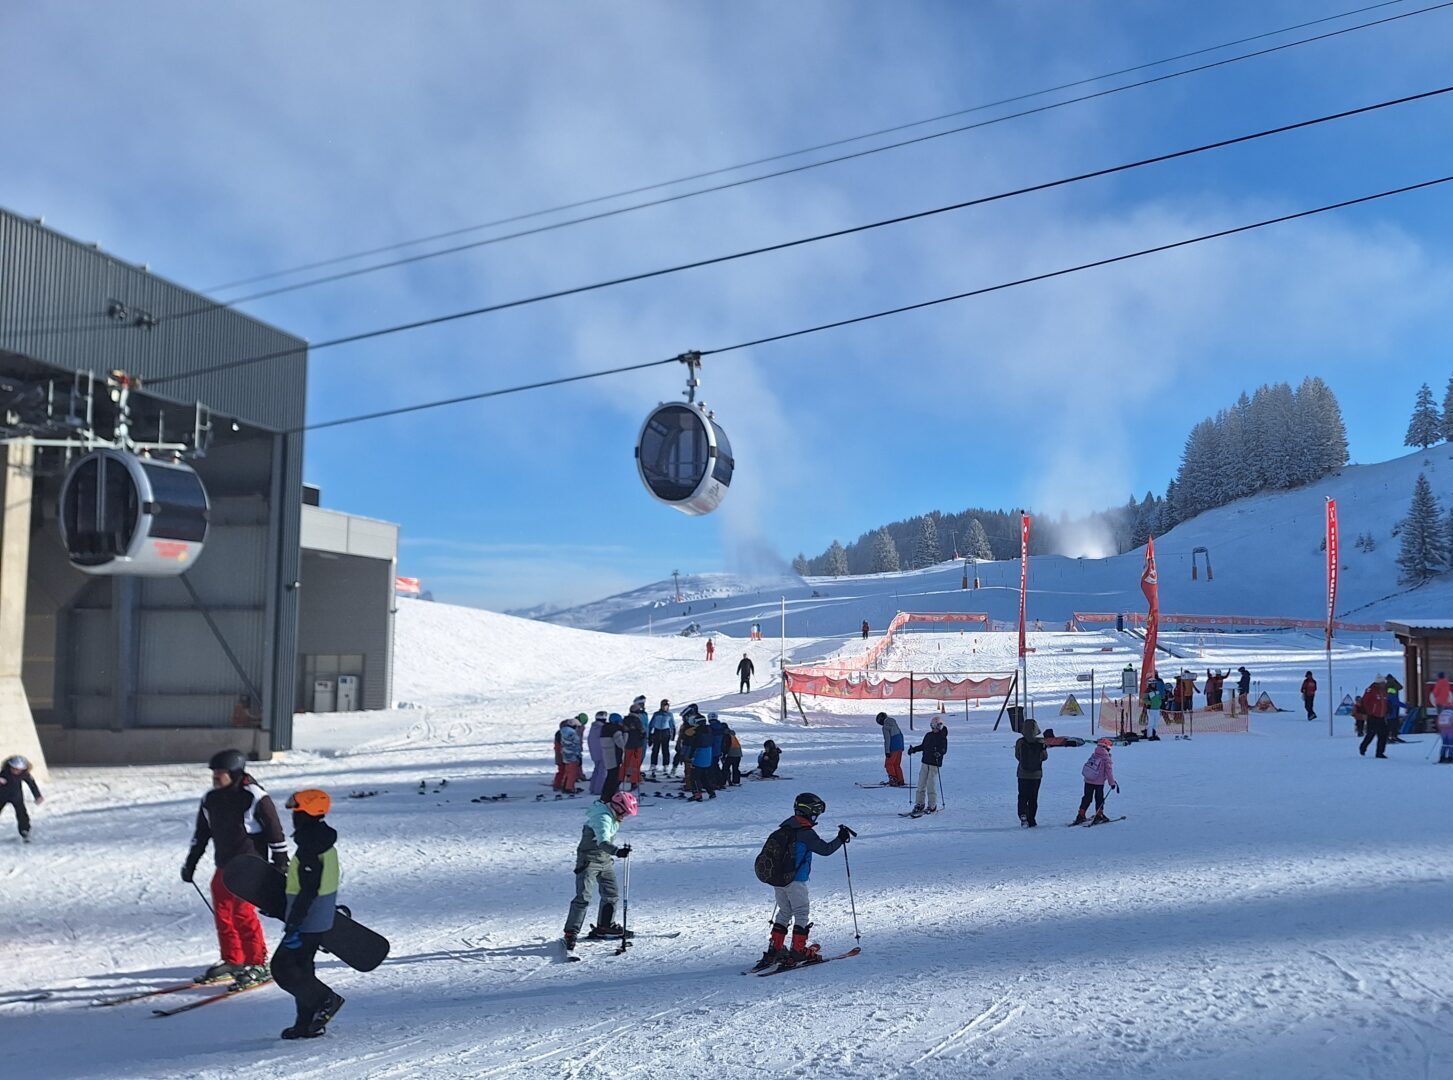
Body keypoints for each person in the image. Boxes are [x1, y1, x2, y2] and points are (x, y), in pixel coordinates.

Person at [182, 749, 288, 986]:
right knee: (223, 913)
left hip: (250, 866)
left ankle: (257, 962)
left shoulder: (254, 796)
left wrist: (281, 861)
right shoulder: (211, 799)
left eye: (220, 772)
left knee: (242, 913)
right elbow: (201, 834)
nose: (215, 777)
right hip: (224, 866)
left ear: (235, 772)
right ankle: (233, 959)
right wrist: (191, 863)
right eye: (214, 772)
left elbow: (274, 830)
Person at [272, 789, 346, 1040]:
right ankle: (306, 1023)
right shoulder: (320, 841)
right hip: (316, 919)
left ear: (306, 814)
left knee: (283, 968)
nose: (293, 817)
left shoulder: (311, 847)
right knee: (303, 970)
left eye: (297, 812)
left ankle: (326, 1000)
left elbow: (309, 890)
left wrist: (294, 922)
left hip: (307, 921)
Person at [752, 792, 852, 971]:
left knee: (784, 912)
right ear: (810, 812)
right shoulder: (805, 833)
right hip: (796, 880)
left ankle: (775, 949)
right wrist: (840, 839)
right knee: (801, 912)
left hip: (779, 880)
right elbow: (826, 850)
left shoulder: (784, 828)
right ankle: (798, 951)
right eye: (816, 812)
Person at [563, 791, 637, 953]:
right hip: (588, 861)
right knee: (583, 897)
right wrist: (617, 851)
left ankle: (605, 926)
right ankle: (570, 932)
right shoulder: (602, 818)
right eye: (625, 812)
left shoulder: (612, 815)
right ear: (617, 807)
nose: (625, 816)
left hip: (604, 861)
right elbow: (602, 842)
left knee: (611, 894)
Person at [907, 716, 948, 817]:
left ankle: (932, 805)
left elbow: (944, 749)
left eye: (935, 727)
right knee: (921, 783)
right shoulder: (928, 735)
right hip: (925, 762)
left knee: (930, 784)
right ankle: (920, 803)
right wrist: (914, 750)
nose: (934, 729)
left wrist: (939, 753)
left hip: (934, 764)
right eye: (932, 726)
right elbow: (923, 746)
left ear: (940, 726)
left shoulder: (942, 737)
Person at [1073, 738, 1118, 825]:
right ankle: (1099, 815)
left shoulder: (1094, 754)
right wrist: (1112, 783)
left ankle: (1081, 815)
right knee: (1099, 798)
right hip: (1098, 782)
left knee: (1087, 798)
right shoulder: (1106, 757)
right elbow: (1109, 771)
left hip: (1088, 780)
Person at [0, 754, 43, 842]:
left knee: (21, 813)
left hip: (16, 796)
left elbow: (32, 784)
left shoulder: (24, 774)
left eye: (18, 769)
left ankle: (25, 830)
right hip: (2, 796)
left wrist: (37, 796)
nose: (16, 771)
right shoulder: (4, 773)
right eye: (14, 768)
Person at [1013, 719, 1047, 826]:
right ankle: (1031, 819)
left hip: (1023, 774)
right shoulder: (1040, 742)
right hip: (1036, 775)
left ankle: (1023, 814)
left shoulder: (1020, 742)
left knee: (1022, 796)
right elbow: (1044, 757)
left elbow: (1017, 756)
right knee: (1033, 797)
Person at [1357, 678, 1390, 758]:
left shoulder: (1384, 691)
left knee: (1383, 734)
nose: (1384, 684)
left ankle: (1380, 752)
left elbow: (1385, 702)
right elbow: (1364, 701)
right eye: (1383, 682)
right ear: (1378, 683)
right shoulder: (1370, 690)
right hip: (1372, 716)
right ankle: (1363, 747)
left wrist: (1388, 709)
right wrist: (1367, 712)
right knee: (1371, 734)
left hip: (1381, 716)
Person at [599, 714, 627, 801]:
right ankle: (609, 796)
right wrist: (625, 733)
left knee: (610, 776)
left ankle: (606, 796)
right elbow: (621, 744)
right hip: (614, 756)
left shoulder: (605, 729)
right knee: (614, 778)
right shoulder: (616, 731)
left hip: (607, 756)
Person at [689, 713, 716, 801]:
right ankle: (711, 792)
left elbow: (695, 745)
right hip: (708, 755)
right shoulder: (709, 730)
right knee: (704, 776)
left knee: (694, 777)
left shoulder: (698, 732)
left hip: (699, 757)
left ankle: (697, 794)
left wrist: (691, 756)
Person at [647, 699, 675, 779]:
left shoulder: (669, 714)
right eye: (663, 706)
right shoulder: (656, 714)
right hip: (657, 732)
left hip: (665, 732)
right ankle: (653, 764)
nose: (665, 707)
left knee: (665, 749)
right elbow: (651, 724)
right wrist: (649, 735)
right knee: (655, 749)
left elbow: (672, 725)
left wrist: (672, 735)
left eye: (666, 706)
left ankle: (665, 765)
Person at [621, 702, 647, 791]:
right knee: (635, 764)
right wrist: (643, 736)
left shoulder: (625, 719)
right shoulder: (637, 720)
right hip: (637, 744)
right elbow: (642, 731)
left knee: (626, 762)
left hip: (628, 744)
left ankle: (620, 780)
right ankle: (634, 782)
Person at [876, 712, 906, 786]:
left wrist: (887, 751)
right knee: (896, 764)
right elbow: (901, 735)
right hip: (899, 746)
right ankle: (900, 780)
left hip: (893, 747)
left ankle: (893, 780)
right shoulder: (894, 723)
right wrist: (901, 747)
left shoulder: (885, 727)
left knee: (888, 764)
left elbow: (887, 739)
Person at [559, 716, 584, 794]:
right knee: (572, 773)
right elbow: (576, 746)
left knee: (567, 772)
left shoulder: (563, 732)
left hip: (565, 756)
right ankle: (570, 788)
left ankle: (564, 786)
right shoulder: (573, 734)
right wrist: (579, 756)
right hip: (573, 756)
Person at [551, 720, 569, 791]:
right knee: (562, 770)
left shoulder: (560, 733)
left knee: (564, 770)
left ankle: (560, 783)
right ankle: (557, 784)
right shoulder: (561, 734)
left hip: (561, 755)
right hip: (561, 755)